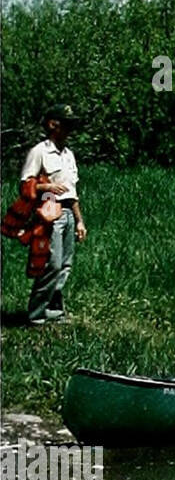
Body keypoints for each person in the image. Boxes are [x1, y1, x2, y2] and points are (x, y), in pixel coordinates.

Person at [18, 105, 87, 325]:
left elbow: (72, 191)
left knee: (65, 264)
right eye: (65, 123)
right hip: (48, 212)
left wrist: (79, 221)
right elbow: (25, 185)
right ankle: (36, 313)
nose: (69, 128)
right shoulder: (40, 151)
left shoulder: (69, 155)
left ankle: (54, 309)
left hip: (67, 211)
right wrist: (45, 187)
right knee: (52, 263)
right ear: (52, 124)